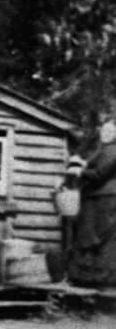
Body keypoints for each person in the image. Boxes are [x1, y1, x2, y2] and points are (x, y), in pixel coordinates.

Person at [67, 107, 116, 287]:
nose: (105, 133)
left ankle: (102, 279)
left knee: (100, 237)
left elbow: (100, 174)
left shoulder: (113, 151)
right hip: (96, 197)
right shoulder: (102, 150)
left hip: (104, 198)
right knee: (90, 236)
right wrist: (80, 163)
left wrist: (80, 170)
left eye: (110, 131)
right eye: (103, 130)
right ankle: (90, 277)